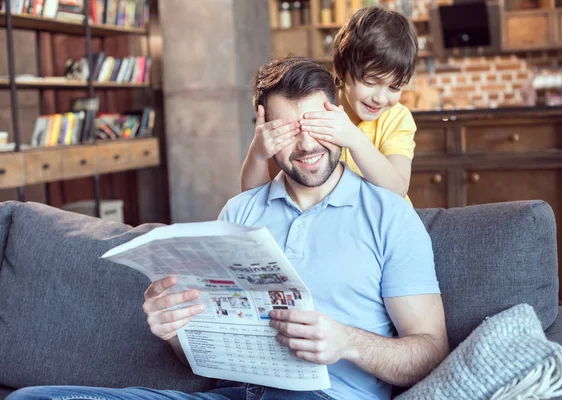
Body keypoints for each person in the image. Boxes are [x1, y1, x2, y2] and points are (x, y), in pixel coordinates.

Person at [7, 57, 447, 400]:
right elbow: (205, 355)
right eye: (287, 131)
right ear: (263, 128)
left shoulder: (389, 214)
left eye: (315, 126)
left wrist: (348, 342)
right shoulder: (239, 212)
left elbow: (429, 350)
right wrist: (176, 331)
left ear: (339, 118)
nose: (308, 145)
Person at [240, 6, 419, 204]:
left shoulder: (396, 118)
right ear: (341, 70)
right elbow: (254, 198)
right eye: (370, 82)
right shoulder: (312, 109)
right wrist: (257, 153)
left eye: (394, 87)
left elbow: (398, 189)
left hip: (383, 224)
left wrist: (355, 139)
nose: (381, 98)